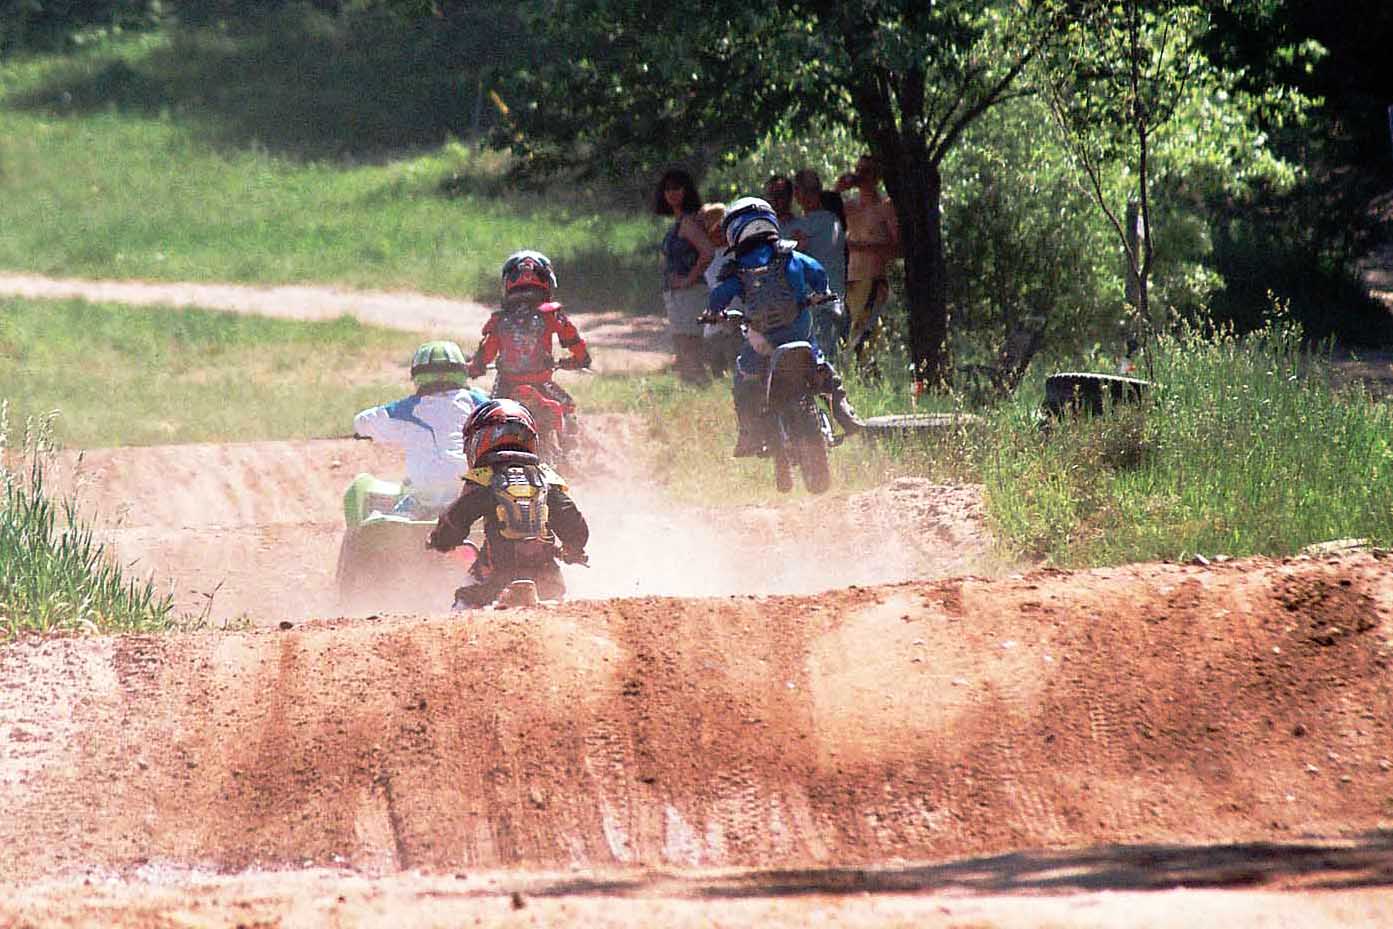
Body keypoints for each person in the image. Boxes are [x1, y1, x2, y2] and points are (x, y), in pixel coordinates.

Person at [706, 197, 862, 459]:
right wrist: (822, 292)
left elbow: (720, 294)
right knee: (821, 366)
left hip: (762, 343)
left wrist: (714, 313)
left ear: (734, 231)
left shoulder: (738, 269)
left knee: (744, 376)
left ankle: (749, 433)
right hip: (799, 333)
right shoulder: (790, 254)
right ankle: (844, 411)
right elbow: (817, 270)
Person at [427, 398, 590, 609]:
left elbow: (456, 519)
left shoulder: (484, 478)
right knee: (560, 604)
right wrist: (572, 549)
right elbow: (575, 526)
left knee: (464, 602)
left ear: (479, 439)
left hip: (498, 580)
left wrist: (440, 541)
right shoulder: (546, 478)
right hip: (548, 579)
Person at [466, 250, 591, 452]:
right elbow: (573, 340)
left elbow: (485, 354)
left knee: (488, 416)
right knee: (567, 406)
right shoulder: (551, 313)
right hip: (541, 383)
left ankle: (484, 454)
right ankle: (570, 454)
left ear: (507, 283)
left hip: (506, 385)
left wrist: (475, 368)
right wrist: (580, 359)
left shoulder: (499, 320)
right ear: (548, 281)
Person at [352, 340, 489, 516]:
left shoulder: (405, 409)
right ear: (462, 371)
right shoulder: (478, 402)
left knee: (402, 497)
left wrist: (362, 433)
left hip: (425, 491)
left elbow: (362, 422)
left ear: (417, 376)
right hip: (468, 487)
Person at [836, 155, 900, 366]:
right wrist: (838, 189)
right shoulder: (849, 207)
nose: (862, 177)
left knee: (864, 337)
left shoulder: (885, 207)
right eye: (859, 171)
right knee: (847, 335)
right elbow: (823, 213)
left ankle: (867, 376)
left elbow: (897, 247)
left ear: (877, 177)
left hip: (874, 281)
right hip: (851, 282)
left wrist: (864, 247)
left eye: (867, 172)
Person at [654, 168, 716, 384]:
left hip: (690, 295)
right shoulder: (679, 222)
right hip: (678, 295)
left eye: (677, 188)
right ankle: (692, 385)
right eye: (667, 189)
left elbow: (708, 252)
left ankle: (698, 386)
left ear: (687, 191)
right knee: (682, 344)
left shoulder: (688, 222)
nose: (672, 193)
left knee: (689, 344)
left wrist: (689, 279)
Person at [785, 168, 848, 362]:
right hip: (835, 301)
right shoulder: (834, 221)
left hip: (817, 305)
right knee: (830, 358)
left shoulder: (804, 226)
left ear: (797, 194)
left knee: (818, 361)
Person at [698, 202, 742, 378]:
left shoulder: (735, 253)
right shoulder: (707, 254)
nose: (714, 231)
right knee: (716, 365)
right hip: (714, 321)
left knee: (735, 360)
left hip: (735, 317)